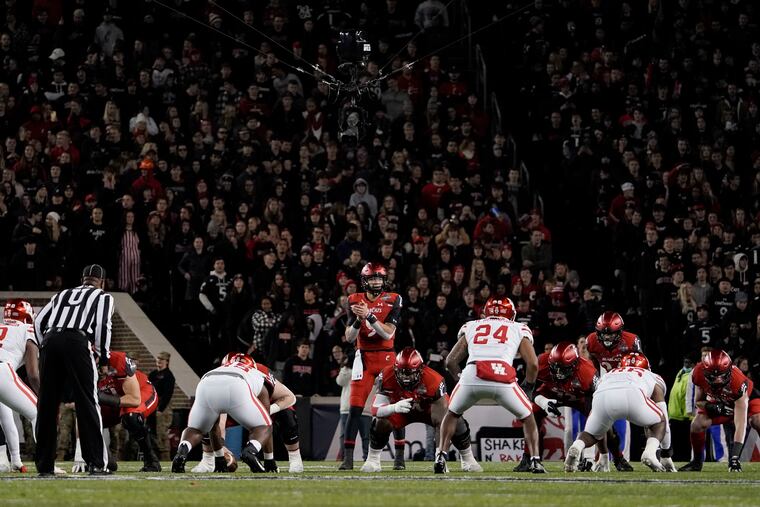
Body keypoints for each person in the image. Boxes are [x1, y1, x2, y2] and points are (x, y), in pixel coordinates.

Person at [436, 297, 546, 474]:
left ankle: (440, 456)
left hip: (472, 372)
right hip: (501, 374)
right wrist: (529, 386)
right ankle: (534, 461)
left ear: (485, 313)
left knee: (452, 414)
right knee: (528, 416)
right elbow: (533, 364)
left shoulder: (471, 325)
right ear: (512, 314)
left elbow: (450, 361)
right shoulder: (518, 327)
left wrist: (462, 378)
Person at [34, 264, 114, 476]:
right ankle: (96, 463)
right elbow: (102, 325)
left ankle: (44, 465)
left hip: (50, 340)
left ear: (82, 279)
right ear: (102, 282)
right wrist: (104, 359)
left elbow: (38, 321)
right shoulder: (103, 296)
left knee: (47, 404)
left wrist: (45, 346)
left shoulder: (63, 294)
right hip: (77, 341)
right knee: (87, 400)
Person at [360, 347, 481, 473]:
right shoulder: (386, 374)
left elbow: (444, 418)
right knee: (381, 422)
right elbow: (375, 409)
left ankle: (467, 458)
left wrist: (441, 456)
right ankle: (372, 459)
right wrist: (394, 407)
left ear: (420, 370)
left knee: (455, 421)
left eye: (409, 373)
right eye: (401, 372)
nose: (405, 377)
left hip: (428, 411)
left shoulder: (434, 379)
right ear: (395, 369)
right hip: (401, 411)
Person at [340, 263, 404, 470]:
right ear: (364, 280)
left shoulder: (394, 298)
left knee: (395, 408)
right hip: (364, 360)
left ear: (384, 280)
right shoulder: (354, 299)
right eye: (372, 278)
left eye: (379, 278)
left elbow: (388, 333)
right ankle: (348, 459)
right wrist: (359, 321)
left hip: (387, 358)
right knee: (355, 409)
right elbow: (349, 337)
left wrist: (369, 316)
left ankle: (399, 459)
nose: (376, 282)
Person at [192, 355, 304, 473]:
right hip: (238, 405)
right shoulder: (222, 378)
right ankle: (207, 460)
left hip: (263, 403)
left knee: (287, 415)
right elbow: (220, 422)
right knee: (208, 418)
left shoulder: (259, 373)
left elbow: (289, 397)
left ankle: (295, 458)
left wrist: (269, 410)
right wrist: (221, 446)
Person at [564, 353, 675, 473]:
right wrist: (666, 454)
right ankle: (650, 452)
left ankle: (577, 445)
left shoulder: (609, 374)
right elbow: (665, 422)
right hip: (632, 393)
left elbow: (601, 426)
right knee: (660, 421)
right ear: (646, 367)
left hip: (602, 396)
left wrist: (604, 454)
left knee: (592, 433)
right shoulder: (649, 375)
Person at [172, 353, 272, 473]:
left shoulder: (219, 369)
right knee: (264, 426)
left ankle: (182, 451)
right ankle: (250, 451)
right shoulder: (257, 374)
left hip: (206, 382)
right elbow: (265, 421)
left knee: (195, 429)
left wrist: (219, 458)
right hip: (237, 384)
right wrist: (270, 461)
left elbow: (214, 427)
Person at [513, 342, 603, 472]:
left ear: (575, 365)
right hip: (552, 394)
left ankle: (611, 458)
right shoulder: (541, 362)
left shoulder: (588, 373)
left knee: (598, 419)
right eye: (555, 367)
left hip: (578, 398)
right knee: (531, 413)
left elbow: (596, 407)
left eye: (563, 368)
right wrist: (543, 402)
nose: (559, 373)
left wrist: (589, 456)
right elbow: (526, 390)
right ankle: (529, 458)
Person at [72, 350, 160, 472]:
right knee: (87, 416)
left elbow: (134, 399)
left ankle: (151, 460)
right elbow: (81, 412)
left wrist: (103, 398)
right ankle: (102, 457)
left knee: (130, 417)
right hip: (113, 398)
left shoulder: (119, 360)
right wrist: (79, 451)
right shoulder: (81, 368)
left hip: (139, 392)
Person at [679, 349, 760, 472]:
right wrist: (713, 407)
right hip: (720, 402)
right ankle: (696, 462)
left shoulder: (738, 382)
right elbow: (699, 402)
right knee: (697, 424)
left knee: (757, 420)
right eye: (713, 376)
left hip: (747, 400)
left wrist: (734, 458)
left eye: (721, 376)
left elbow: (740, 424)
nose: (718, 380)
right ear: (705, 372)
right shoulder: (698, 372)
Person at [585, 311, 642, 471]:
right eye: (603, 334)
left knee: (628, 419)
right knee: (599, 420)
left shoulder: (631, 341)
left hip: (629, 383)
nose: (607, 338)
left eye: (611, 334)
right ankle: (599, 458)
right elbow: (593, 363)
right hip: (607, 382)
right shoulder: (591, 341)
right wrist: (595, 382)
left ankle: (657, 453)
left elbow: (641, 365)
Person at [0, 300, 40, 473]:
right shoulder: (27, 329)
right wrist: (43, 396)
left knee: (4, 415)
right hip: (2, 369)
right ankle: (47, 462)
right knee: (39, 413)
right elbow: (33, 373)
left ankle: (15, 459)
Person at [148, 351, 175, 461]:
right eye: (158, 359)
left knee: (162, 435)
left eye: (161, 360)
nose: (159, 361)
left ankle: (165, 460)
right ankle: (154, 459)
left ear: (166, 362)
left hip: (162, 409)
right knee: (152, 433)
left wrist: (160, 409)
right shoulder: (153, 374)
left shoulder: (169, 376)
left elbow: (168, 394)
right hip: (152, 407)